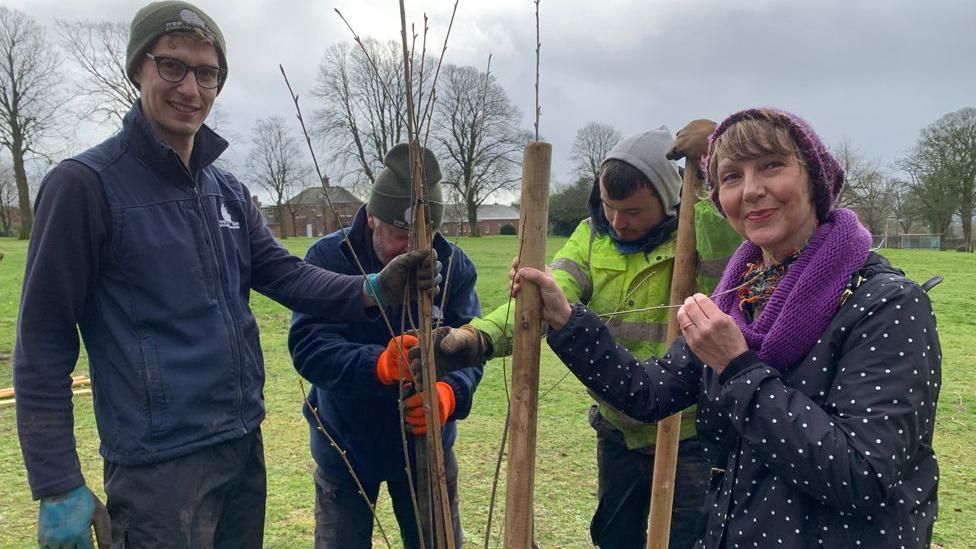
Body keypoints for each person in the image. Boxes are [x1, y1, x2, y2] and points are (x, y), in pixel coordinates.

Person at [14, 3, 438, 548]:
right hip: (157, 468)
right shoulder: (85, 187)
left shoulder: (227, 192)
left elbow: (286, 276)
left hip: (241, 447)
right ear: (138, 68)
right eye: (172, 66)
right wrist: (56, 482)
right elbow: (43, 340)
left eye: (207, 73)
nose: (190, 88)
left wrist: (373, 288)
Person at [518, 108, 942, 548]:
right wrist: (567, 319)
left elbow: (864, 475)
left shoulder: (887, 304)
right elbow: (646, 392)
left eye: (772, 166)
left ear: (814, 177)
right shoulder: (741, 296)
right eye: (732, 177)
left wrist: (737, 366)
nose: (752, 190)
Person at [430, 127, 741, 548]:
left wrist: (711, 159)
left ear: (670, 202)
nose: (618, 221)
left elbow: (729, 238)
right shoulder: (591, 237)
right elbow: (544, 297)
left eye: (633, 211)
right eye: (611, 207)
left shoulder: (699, 226)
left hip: (687, 433)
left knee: (688, 540)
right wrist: (474, 340)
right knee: (614, 538)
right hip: (619, 429)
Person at [289, 143, 483, 549]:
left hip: (428, 449)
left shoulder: (455, 266)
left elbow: (471, 348)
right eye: (401, 234)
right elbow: (310, 346)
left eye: (426, 233)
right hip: (346, 446)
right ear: (371, 216)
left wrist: (450, 394)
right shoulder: (328, 257)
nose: (414, 248)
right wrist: (379, 365)